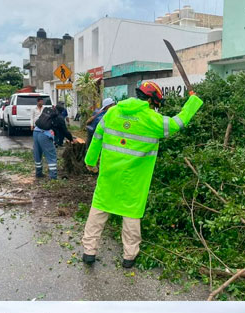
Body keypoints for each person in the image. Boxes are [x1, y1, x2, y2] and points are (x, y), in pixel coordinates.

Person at [82, 81, 203, 268]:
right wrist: (193, 102)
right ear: (150, 100)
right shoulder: (151, 119)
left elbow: (97, 136)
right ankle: (129, 257)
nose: (155, 108)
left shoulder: (112, 112)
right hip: (134, 180)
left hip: (108, 175)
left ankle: (89, 252)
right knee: (130, 214)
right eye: (155, 104)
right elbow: (177, 123)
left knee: (99, 209)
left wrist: (90, 162)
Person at [32, 100, 73, 179]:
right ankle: (53, 177)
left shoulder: (47, 111)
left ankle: (38, 173)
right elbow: (64, 131)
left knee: (38, 154)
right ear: (61, 112)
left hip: (36, 132)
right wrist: (71, 139)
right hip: (44, 135)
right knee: (51, 155)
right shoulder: (60, 118)